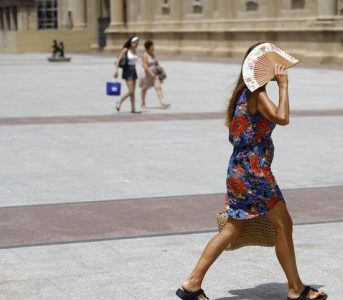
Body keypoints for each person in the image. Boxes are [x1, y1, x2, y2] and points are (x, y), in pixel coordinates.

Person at [176, 42, 328, 300]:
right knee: (284, 224)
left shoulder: (242, 94)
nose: (274, 69)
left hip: (239, 169)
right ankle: (295, 288)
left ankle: (192, 282)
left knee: (233, 228)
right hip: (255, 173)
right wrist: (284, 85)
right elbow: (283, 117)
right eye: (270, 66)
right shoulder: (257, 94)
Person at [113, 36, 141, 113]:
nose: (136, 45)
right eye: (135, 43)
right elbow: (118, 59)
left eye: (137, 43)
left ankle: (133, 108)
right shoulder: (126, 50)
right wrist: (116, 71)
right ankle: (119, 101)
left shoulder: (135, 51)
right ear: (131, 43)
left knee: (133, 92)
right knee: (131, 91)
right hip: (127, 70)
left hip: (133, 70)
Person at [140, 40, 170, 109]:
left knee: (158, 87)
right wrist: (150, 74)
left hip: (155, 74)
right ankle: (143, 103)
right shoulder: (145, 55)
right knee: (144, 88)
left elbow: (156, 63)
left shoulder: (152, 54)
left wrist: (160, 70)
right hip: (147, 74)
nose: (153, 47)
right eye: (152, 46)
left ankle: (162, 102)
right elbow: (145, 65)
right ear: (148, 47)